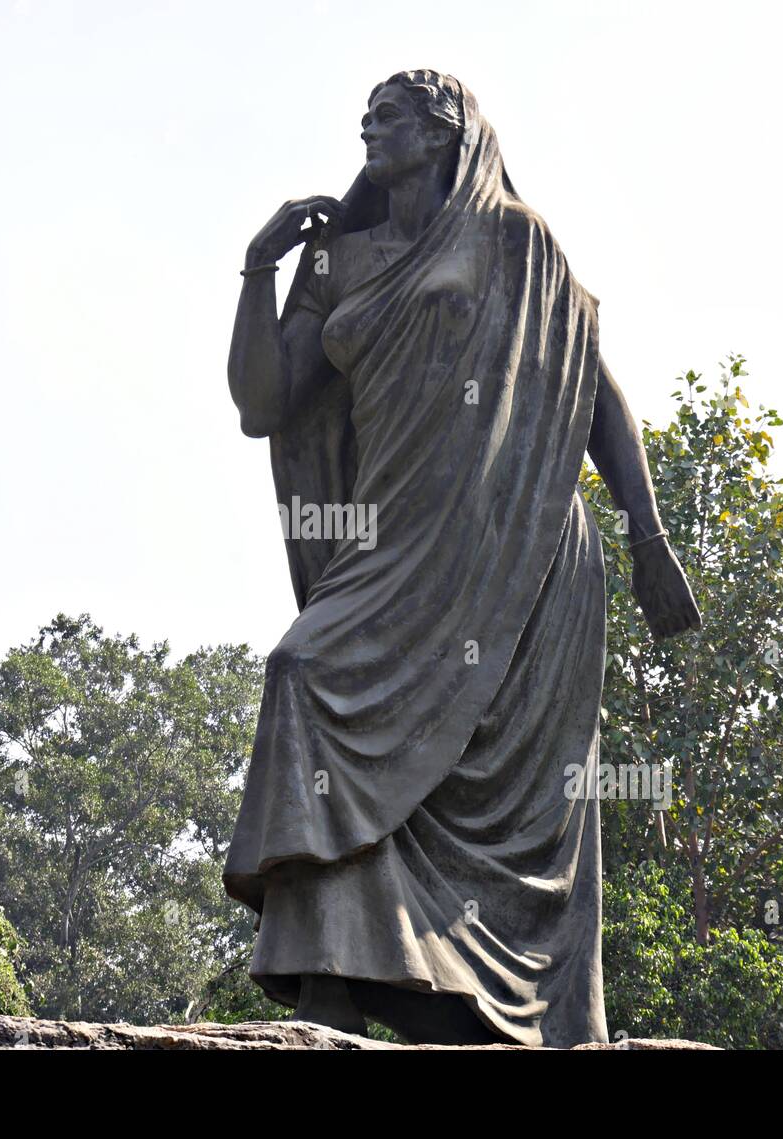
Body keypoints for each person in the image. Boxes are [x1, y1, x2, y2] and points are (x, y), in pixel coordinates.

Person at [223, 69, 701, 1046]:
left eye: (392, 111)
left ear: (447, 133)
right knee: (303, 670)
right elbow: (262, 404)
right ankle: (330, 973)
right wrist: (258, 270)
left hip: (516, 548)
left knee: (504, 788)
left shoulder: (515, 240)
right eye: (366, 111)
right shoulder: (338, 264)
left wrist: (647, 533)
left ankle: (475, 1000)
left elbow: (596, 390)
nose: (369, 123)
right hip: (392, 540)